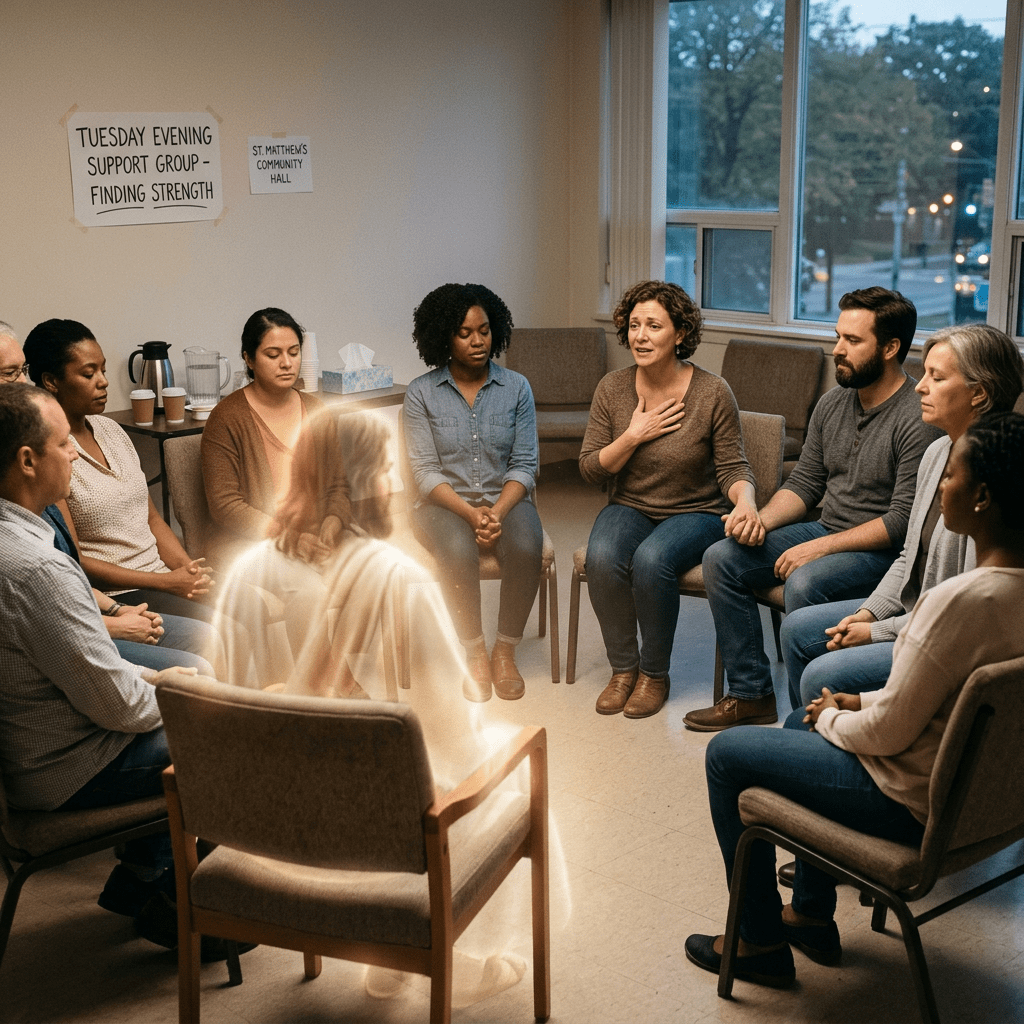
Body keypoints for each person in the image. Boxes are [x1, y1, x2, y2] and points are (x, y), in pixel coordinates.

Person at [684, 411, 1024, 989]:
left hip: (911, 804)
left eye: (951, 477)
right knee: (796, 720)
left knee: (728, 756)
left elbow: (890, 732)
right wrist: (853, 704)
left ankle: (758, 941)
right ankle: (812, 916)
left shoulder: (956, 602)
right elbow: (933, 703)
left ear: (983, 497)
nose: (941, 485)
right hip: (986, 805)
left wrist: (838, 715)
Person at [215, 408, 535, 1005]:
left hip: (259, 824)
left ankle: (390, 960)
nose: (398, 482)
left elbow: (234, 708)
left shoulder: (243, 575)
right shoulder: (398, 581)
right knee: (499, 776)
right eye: (387, 468)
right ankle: (443, 958)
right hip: (354, 828)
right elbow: (449, 733)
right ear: (358, 483)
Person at [688, 287, 942, 731]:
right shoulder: (833, 403)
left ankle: (807, 721)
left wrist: (819, 549)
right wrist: (757, 520)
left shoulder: (915, 416)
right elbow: (805, 484)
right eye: (837, 335)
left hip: (880, 551)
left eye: (852, 341)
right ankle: (750, 694)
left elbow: (902, 522)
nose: (836, 349)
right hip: (826, 528)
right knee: (722, 557)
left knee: (806, 581)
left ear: (890, 348)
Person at [0, 383, 186, 931]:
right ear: (27, 460)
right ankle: (175, 904)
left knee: (194, 683)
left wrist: (163, 677)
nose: (77, 453)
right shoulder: (35, 569)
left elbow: (94, 670)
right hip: (63, 768)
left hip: (38, 744)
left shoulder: (19, 542)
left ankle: (143, 881)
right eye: (64, 445)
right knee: (230, 731)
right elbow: (121, 709)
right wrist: (180, 688)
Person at [781, 323, 1024, 710]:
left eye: (937, 377)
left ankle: (838, 742)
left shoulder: (990, 480)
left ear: (979, 394)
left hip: (944, 640)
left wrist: (876, 630)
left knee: (821, 674)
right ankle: (814, 735)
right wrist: (866, 612)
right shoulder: (936, 453)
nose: (919, 386)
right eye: (924, 372)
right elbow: (909, 558)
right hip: (913, 618)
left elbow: (961, 614)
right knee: (796, 629)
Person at [579, 280, 757, 719]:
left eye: (653, 326)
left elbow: (733, 469)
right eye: (634, 325)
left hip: (697, 510)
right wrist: (632, 436)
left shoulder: (713, 392)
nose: (640, 336)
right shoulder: (612, 389)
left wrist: (747, 502)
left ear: (679, 334)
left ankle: (655, 675)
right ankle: (624, 670)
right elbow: (589, 468)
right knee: (600, 556)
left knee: (652, 559)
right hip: (630, 505)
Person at [11, 319, 214, 672]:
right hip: (121, 593)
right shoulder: (52, 458)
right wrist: (166, 583)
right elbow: (75, 558)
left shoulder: (111, 430)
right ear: (50, 382)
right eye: (88, 374)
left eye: (103, 370)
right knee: (220, 635)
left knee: (245, 612)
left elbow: (151, 518)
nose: (103, 382)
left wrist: (186, 570)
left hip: (161, 578)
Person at [403, 283, 542, 702]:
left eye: (484, 330)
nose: (478, 340)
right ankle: (474, 652)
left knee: (526, 544)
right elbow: (424, 472)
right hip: (442, 503)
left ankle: (504, 650)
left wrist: (496, 511)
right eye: (465, 333)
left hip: (507, 498)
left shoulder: (517, 388)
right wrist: (469, 513)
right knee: (458, 549)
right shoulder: (421, 392)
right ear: (444, 336)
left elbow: (525, 464)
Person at [201, 307, 346, 569]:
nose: (287, 363)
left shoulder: (317, 411)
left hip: (314, 538)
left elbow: (338, 484)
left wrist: (332, 522)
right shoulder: (227, 418)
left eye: (294, 352)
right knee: (310, 591)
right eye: (273, 355)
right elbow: (226, 506)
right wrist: (291, 538)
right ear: (249, 359)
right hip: (254, 543)